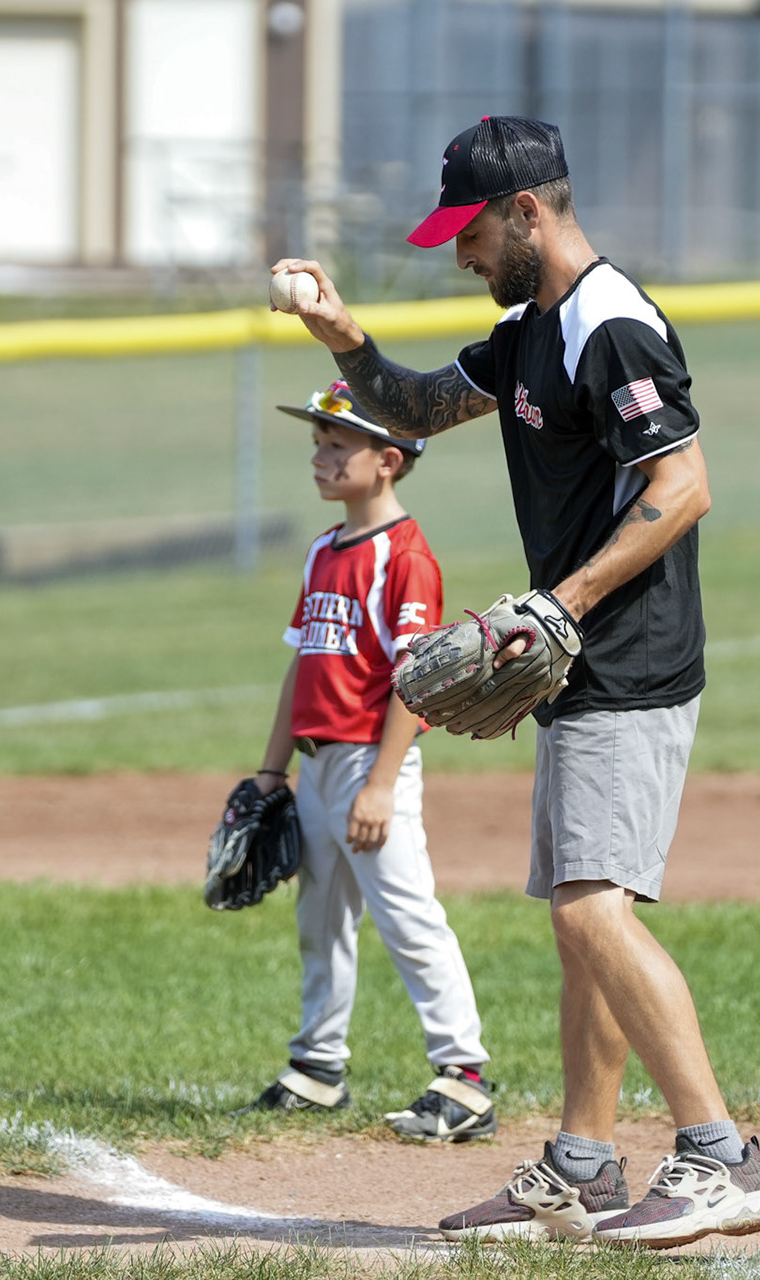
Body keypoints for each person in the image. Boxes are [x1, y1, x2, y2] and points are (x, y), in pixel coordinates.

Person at [270, 117, 760, 1248]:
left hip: (631, 657)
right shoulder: (528, 331)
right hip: (576, 659)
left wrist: (569, 600)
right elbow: (413, 408)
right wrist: (341, 332)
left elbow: (684, 486)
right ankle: (585, 1164)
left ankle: (718, 1153)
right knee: (580, 922)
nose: (459, 254)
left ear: (527, 212)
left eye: (469, 232)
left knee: (592, 907)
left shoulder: (612, 324)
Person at [244, 380, 497, 1144]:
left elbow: (416, 682)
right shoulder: (324, 549)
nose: (320, 458)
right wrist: (270, 772)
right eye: (317, 444)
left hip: (370, 766)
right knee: (320, 921)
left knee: (408, 917)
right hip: (318, 765)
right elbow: (302, 664)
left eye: (337, 445)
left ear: (387, 460)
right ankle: (318, 1067)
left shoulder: (405, 557)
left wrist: (382, 785)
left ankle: (465, 1077)